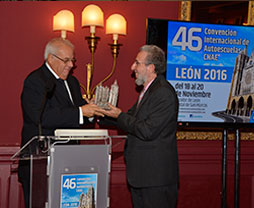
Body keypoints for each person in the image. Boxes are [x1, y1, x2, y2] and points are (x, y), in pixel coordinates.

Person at [18, 38, 102, 208]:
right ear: (50, 58)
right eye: (66, 60)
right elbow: (40, 117)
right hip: (40, 162)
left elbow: (77, 117)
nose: (71, 65)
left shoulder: (72, 82)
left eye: (73, 60)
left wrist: (91, 111)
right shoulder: (36, 80)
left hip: (69, 163)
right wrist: (80, 112)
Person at [99, 45, 179, 208]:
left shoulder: (163, 93)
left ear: (151, 67)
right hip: (143, 177)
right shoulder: (149, 91)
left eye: (137, 63)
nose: (132, 67)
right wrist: (99, 112)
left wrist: (119, 115)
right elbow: (129, 120)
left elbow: (146, 130)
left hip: (155, 180)